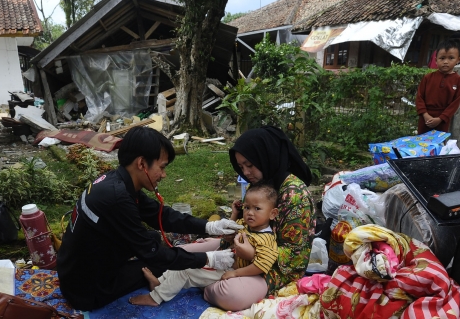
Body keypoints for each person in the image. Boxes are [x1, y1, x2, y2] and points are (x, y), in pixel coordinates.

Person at [56, 127, 243, 311]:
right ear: (142, 164)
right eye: (161, 167)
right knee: (157, 262)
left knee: (153, 238)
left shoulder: (116, 182)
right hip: (86, 291)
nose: (164, 175)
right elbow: (153, 254)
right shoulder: (117, 199)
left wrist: (211, 226)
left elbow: (162, 215)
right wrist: (208, 259)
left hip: (75, 269)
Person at [181, 126, 315, 311]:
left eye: (250, 165)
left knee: (230, 294)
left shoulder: (294, 195)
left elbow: (295, 257)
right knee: (181, 253)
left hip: (271, 268)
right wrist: (233, 233)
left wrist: (252, 254)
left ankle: (203, 278)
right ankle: (201, 275)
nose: (246, 172)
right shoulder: (259, 185)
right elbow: (248, 224)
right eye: (241, 167)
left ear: (266, 156)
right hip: (240, 250)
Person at [128, 184, 279, 306]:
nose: (250, 213)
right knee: (184, 260)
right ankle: (160, 283)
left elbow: (261, 266)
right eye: (247, 208)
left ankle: (156, 298)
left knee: (185, 270)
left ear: (272, 214)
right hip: (224, 262)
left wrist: (235, 273)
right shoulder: (246, 225)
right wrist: (234, 215)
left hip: (234, 270)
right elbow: (230, 228)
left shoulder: (267, 240)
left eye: (257, 208)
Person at [416, 39, 460, 134]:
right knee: (421, 143)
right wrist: (425, 115)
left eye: (451, 58)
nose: (446, 62)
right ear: (436, 60)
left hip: (442, 120)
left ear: (459, 59)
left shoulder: (459, 81)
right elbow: (419, 97)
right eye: (442, 58)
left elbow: (455, 103)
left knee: (439, 144)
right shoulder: (428, 78)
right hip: (425, 118)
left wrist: (440, 118)